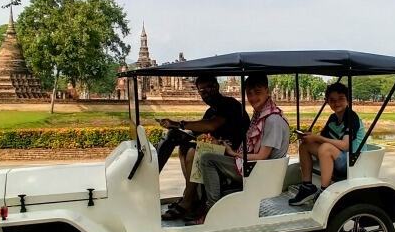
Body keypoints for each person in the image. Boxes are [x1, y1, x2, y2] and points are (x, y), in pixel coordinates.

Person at [197, 73, 289, 221]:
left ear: (268, 91)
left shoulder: (272, 119)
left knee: (207, 159)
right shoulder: (262, 114)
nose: (253, 98)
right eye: (249, 94)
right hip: (257, 167)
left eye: (257, 93)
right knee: (209, 152)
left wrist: (233, 153)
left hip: (260, 172)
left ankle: (213, 209)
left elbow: (262, 156)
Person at [156, 74, 250, 220]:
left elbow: (211, 124)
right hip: (219, 149)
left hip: (234, 152)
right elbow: (199, 129)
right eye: (202, 91)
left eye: (210, 88)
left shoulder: (230, 104)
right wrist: (180, 133)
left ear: (217, 87)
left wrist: (178, 123)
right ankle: (190, 195)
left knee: (194, 151)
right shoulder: (211, 110)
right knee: (184, 147)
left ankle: (188, 201)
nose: (207, 93)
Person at [290, 82, 364, 205]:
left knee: (325, 148)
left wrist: (318, 139)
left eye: (341, 99)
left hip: (352, 160)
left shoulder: (351, 117)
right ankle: (307, 186)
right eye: (332, 100)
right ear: (328, 102)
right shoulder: (333, 118)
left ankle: (324, 190)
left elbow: (345, 145)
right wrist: (309, 137)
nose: (337, 103)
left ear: (347, 100)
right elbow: (322, 137)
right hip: (339, 157)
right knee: (305, 145)